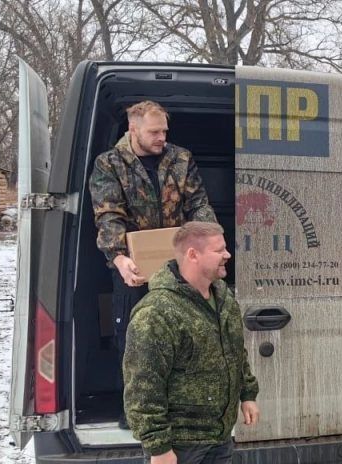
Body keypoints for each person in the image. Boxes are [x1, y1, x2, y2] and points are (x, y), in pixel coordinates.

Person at [89, 100, 216, 428]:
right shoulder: (110, 164)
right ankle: (137, 413)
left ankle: (182, 408)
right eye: (154, 131)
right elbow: (108, 214)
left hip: (179, 266)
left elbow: (198, 203)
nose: (162, 137)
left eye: (164, 130)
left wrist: (210, 243)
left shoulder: (180, 158)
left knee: (185, 334)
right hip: (134, 267)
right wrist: (118, 257)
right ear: (133, 130)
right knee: (135, 339)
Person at [123, 221, 259, 464]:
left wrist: (248, 394)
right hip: (181, 445)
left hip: (219, 438)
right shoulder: (157, 312)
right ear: (193, 255)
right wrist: (158, 448)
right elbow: (143, 386)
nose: (227, 255)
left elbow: (235, 351)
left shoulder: (223, 299)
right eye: (219, 250)